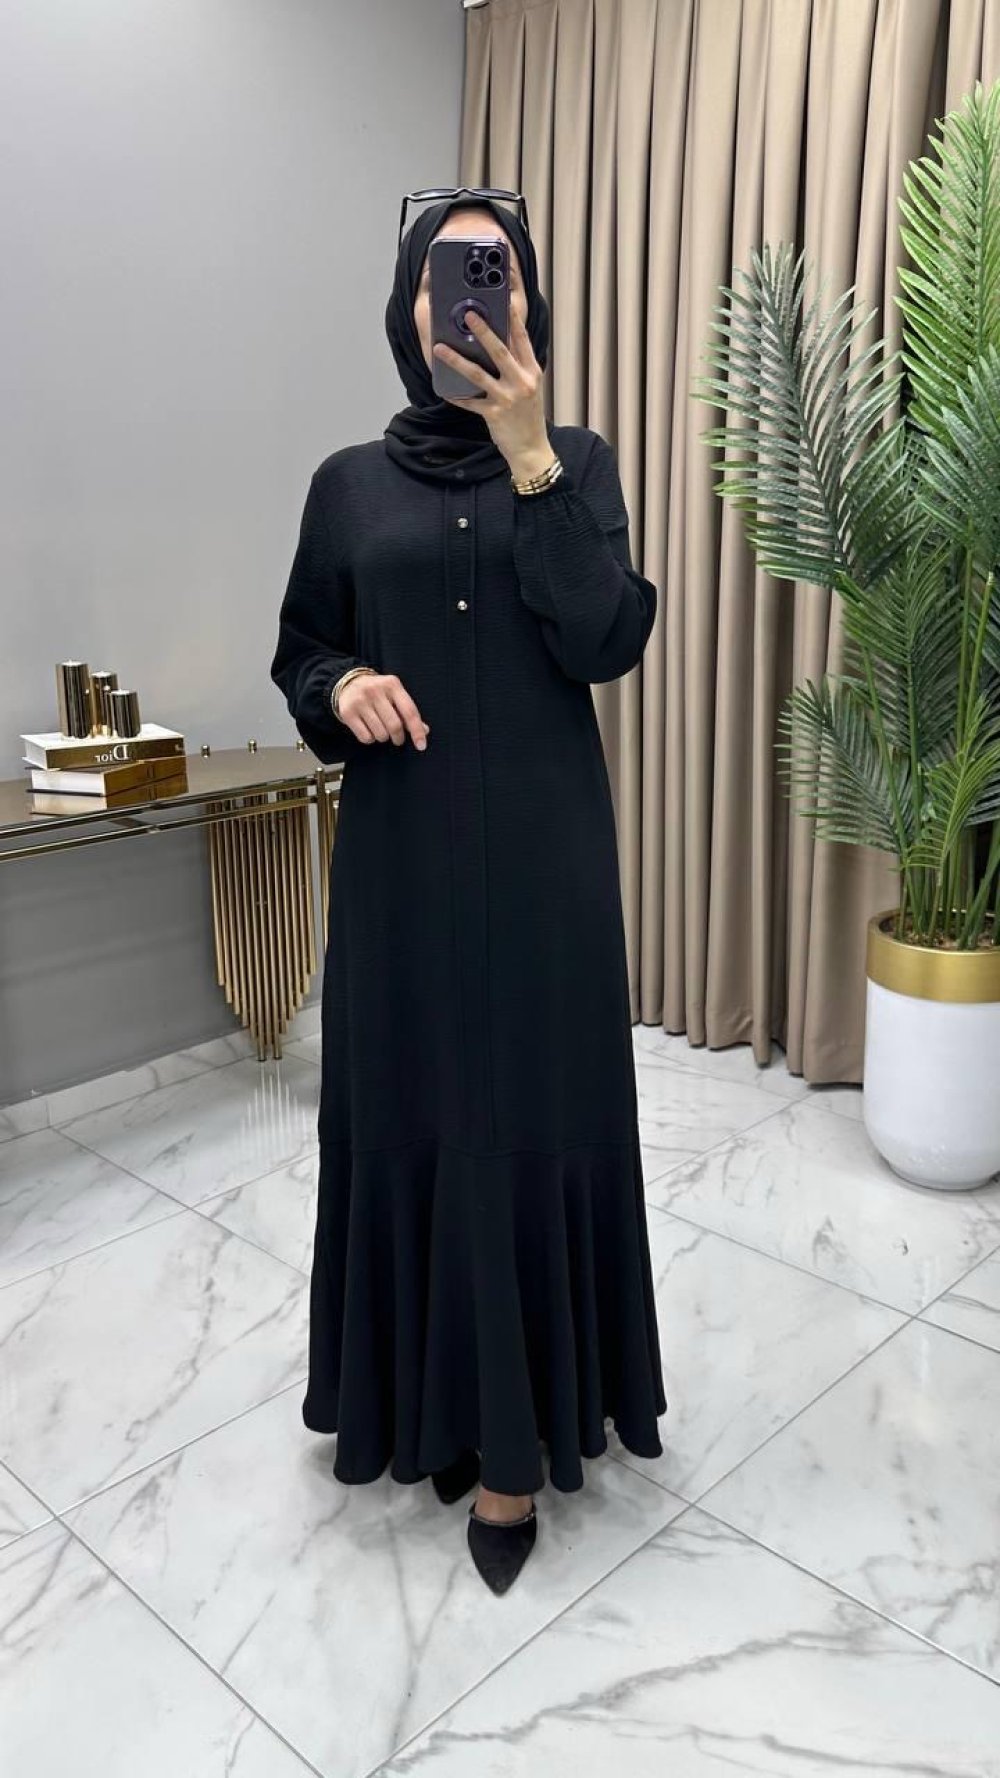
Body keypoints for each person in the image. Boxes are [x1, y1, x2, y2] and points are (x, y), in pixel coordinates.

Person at [270, 191, 668, 1595]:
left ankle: (514, 1449)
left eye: (498, 272)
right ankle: (422, 1404)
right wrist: (341, 685)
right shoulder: (345, 485)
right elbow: (301, 648)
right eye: (451, 271)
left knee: (529, 1118)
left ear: (527, 302)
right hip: (399, 863)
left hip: (546, 867)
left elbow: (604, 636)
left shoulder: (576, 460)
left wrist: (533, 459)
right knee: (416, 1110)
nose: (474, 295)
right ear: (411, 302)